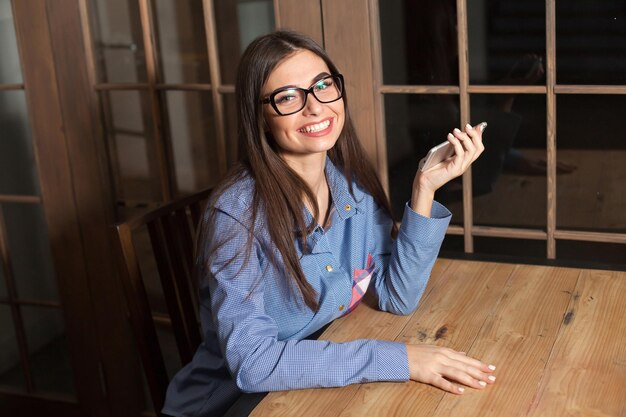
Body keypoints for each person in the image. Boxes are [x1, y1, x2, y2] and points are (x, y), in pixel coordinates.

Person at [163, 30, 495, 417]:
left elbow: (398, 296)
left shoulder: (352, 189)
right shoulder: (236, 217)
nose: (316, 107)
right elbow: (253, 364)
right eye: (288, 97)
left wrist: (424, 187)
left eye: (323, 86)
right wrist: (400, 359)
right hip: (231, 407)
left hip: (310, 392)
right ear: (259, 117)